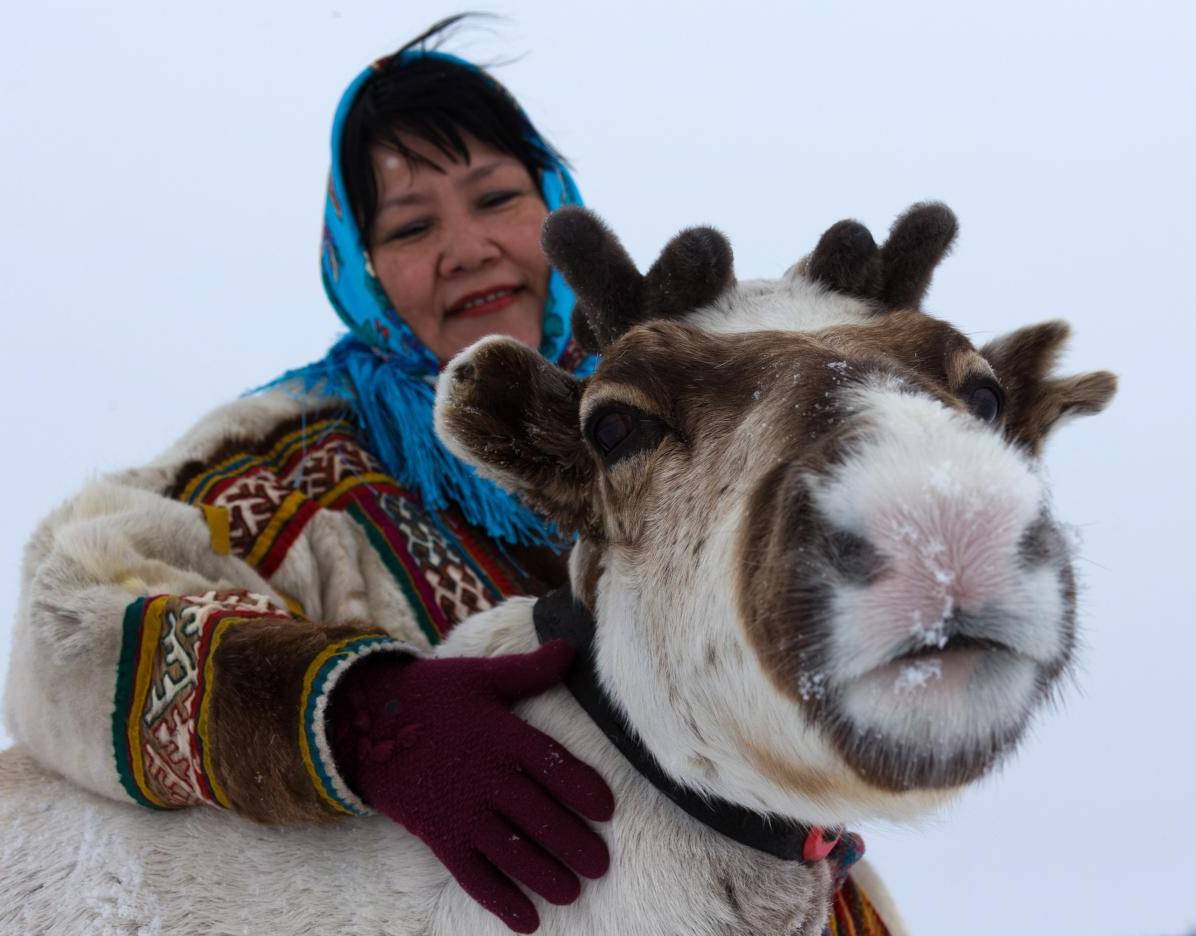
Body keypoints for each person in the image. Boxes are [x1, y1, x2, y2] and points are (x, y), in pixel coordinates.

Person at [3, 15, 892, 935]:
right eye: (413, 223)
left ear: (557, 208)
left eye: (497, 197)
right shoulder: (291, 467)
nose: (466, 246)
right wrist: (363, 718)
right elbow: (65, 626)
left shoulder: (671, 442)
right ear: (362, 265)